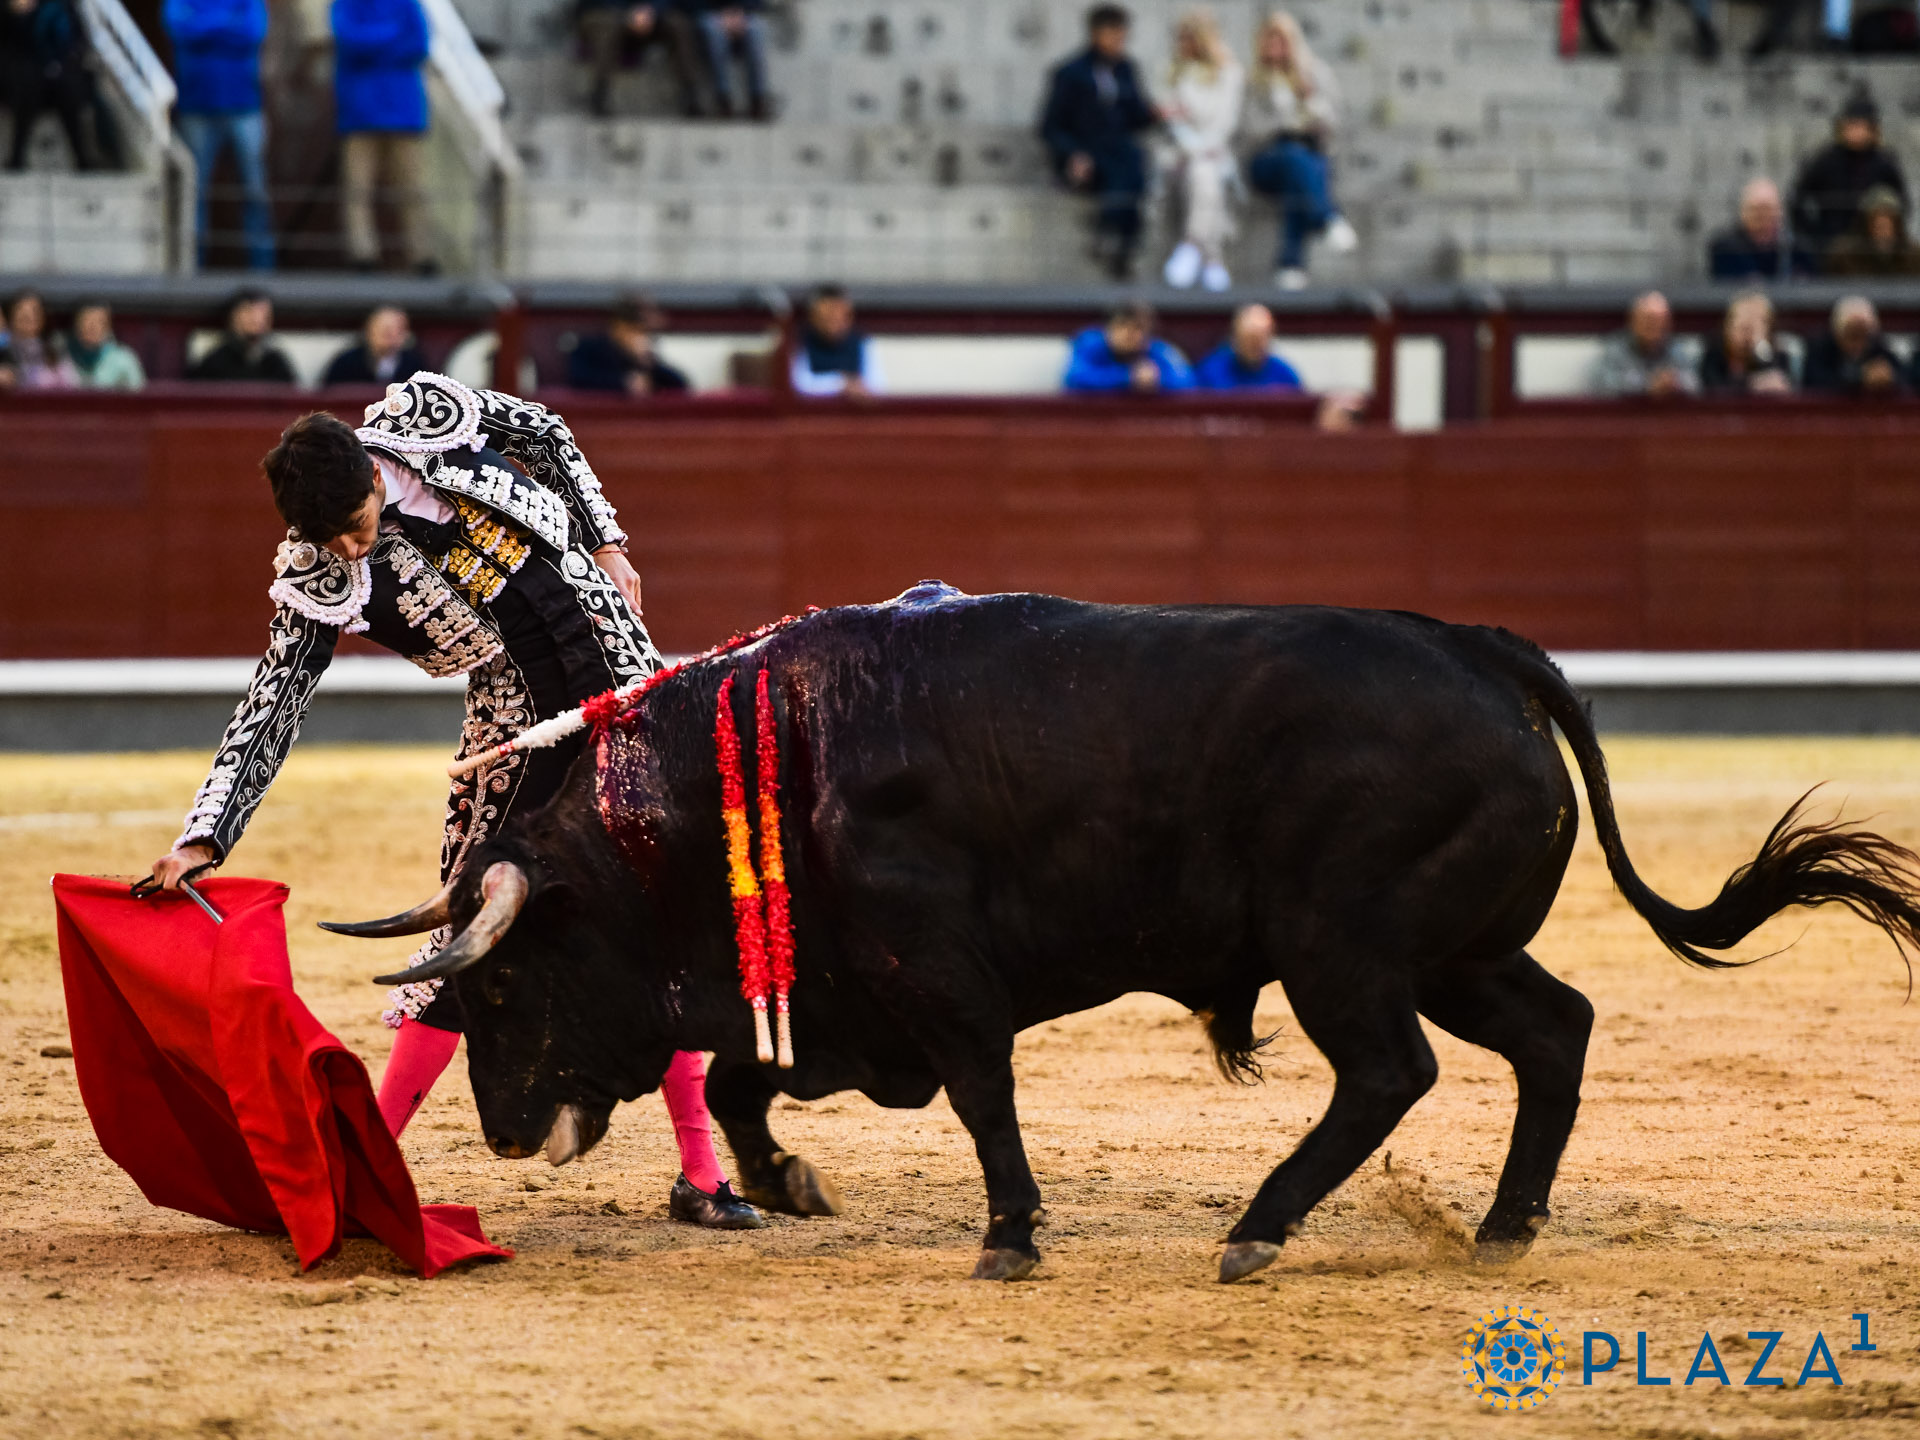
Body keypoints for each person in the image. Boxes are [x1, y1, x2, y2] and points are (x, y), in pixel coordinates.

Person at [145, 373, 764, 1230]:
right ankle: (364, 1170)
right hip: (520, 735)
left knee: (663, 921)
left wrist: (607, 541)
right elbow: (274, 700)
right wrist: (204, 835)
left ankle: (702, 1175)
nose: (350, 549)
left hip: (625, 683)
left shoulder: (426, 418)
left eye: (356, 525)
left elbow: (545, 431)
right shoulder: (318, 572)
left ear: (373, 472)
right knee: (472, 939)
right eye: (331, 539)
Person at [1039, 5, 1161, 281]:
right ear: (1097, 33)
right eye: (1114, 34)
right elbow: (1050, 127)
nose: (1119, 41)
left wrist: (1156, 114)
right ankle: (1119, 238)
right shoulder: (1071, 73)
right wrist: (1073, 153)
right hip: (1085, 153)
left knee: (1132, 161)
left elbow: (1135, 116)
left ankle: (1114, 234)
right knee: (1124, 166)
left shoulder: (1126, 70)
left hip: (1119, 152)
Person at [1242, 10, 1357, 291]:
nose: (1275, 48)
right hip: (1267, 159)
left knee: (1300, 176)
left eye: (1281, 41)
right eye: (1270, 41)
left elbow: (1333, 121)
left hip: (1309, 155)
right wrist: (1286, 124)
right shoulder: (1255, 81)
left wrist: (1310, 100)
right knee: (1297, 160)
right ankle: (1326, 217)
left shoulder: (1315, 74)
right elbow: (1251, 129)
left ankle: (1291, 266)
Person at [164, 0, 275, 271]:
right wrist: (228, 21)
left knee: (255, 190)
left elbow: (253, 31)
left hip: (245, 106)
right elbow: (180, 30)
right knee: (194, 192)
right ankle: (193, 267)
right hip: (197, 106)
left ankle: (263, 271)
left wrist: (204, 26)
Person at [332, 0, 435, 274]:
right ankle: (362, 256)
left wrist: (372, 44)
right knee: (358, 189)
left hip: (404, 111)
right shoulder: (346, 4)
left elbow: (420, 44)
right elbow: (349, 41)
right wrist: (392, 35)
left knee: (412, 189)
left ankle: (421, 257)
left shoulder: (408, 3)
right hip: (360, 112)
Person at [1160, 10, 1243, 292]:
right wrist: (1194, 149)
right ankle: (1211, 259)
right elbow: (1172, 120)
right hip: (1180, 156)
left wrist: (1203, 149)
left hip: (1215, 155)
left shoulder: (1229, 73)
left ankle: (1193, 244)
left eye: (1189, 38)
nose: (1183, 45)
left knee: (1204, 173)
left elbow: (1226, 122)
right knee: (1202, 173)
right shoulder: (1173, 73)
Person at [1791, 91, 1908, 260]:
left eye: (1861, 126)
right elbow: (1797, 199)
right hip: (1830, 247)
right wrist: (1814, 237)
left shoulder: (1885, 164)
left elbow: (1901, 203)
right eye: (1852, 126)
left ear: (1873, 130)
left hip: (1872, 250)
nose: (1856, 132)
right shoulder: (1824, 161)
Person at [2, 0, 107, 172]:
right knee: (27, 91)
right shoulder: (14, 8)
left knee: (69, 93)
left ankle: (82, 158)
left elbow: (77, 40)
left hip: (60, 72)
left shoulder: (63, 7)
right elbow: (11, 44)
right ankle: (16, 158)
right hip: (26, 75)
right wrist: (17, 14)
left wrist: (64, 64)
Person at [575, 0, 704, 119]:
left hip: (650, 15)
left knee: (679, 24)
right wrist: (629, 14)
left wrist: (652, 11)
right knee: (607, 25)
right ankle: (599, 94)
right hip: (606, 10)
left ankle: (691, 95)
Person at [567, 295, 692, 395]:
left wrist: (648, 364)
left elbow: (679, 385)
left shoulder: (643, 360)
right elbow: (579, 379)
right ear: (620, 326)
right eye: (637, 330)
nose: (641, 338)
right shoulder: (589, 349)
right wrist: (622, 383)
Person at [1586, 290, 1698, 397]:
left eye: (1661, 321)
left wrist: (1675, 383)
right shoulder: (1616, 349)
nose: (1655, 326)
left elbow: (1694, 383)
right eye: (1649, 320)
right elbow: (1603, 383)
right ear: (1633, 321)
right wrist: (1647, 385)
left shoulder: (1676, 349)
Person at [1063, 302, 1194, 393]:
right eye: (1122, 326)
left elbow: (1187, 383)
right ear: (1108, 329)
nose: (1129, 334)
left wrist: (1158, 380)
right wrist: (1127, 377)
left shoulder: (1158, 351)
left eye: (1137, 328)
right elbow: (1075, 378)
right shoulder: (1090, 344)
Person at [1706, 178, 1814, 280]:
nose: (1763, 216)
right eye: (1756, 210)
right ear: (1743, 213)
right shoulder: (1725, 248)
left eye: (1768, 209)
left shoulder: (1797, 250)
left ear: (1780, 212)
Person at [187, 288, 296, 382]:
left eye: (263, 314)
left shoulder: (275, 362)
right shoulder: (215, 362)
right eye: (249, 312)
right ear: (233, 317)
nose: (257, 319)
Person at [1802, 295, 1907, 394]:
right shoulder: (1819, 351)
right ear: (1837, 333)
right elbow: (1816, 384)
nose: (1858, 344)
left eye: (1864, 336)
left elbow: (1906, 384)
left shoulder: (1880, 351)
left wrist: (1890, 379)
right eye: (1852, 335)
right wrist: (1860, 378)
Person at [790, 284, 882, 397]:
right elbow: (798, 385)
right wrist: (840, 383)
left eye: (839, 318)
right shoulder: (799, 342)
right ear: (813, 318)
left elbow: (876, 386)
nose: (833, 326)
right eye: (826, 319)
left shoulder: (861, 342)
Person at [686, 0, 769, 120]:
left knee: (755, 29)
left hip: (743, 13)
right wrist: (720, 14)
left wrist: (740, 11)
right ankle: (723, 98)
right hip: (708, 12)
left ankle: (758, 98)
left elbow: (758, 3)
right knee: (714, 32)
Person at [1698, 290, 1794, 394]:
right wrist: (1753, 384)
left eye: (1758, 325)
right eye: (1743, 327)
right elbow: (1714, 390)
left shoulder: (1779, 355)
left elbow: (1777, 384)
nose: (1748, 335)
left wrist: (1761, 346)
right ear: (1728, 327)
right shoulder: (1714, 353)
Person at [1194, 303, 1301, 390]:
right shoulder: (1211, 372)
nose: (1254, 345)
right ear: (1235, 336)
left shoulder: (1283, 374)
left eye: (1260, 338)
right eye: (1250, 339)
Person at [1822, 184, 1920, 275]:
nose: (1883, 234)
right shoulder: (1844, 257)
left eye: (1888, 226)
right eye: (1877, 227)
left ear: (1897, 227)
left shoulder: (1914, 258)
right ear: (1865, 226)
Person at [321, 305, 427, 386]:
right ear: (368, 331)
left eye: (396, 329)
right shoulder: (346, 363)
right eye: (383, 329)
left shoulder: (414, 365)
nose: (389, 334)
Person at [2, 289, 78, 388]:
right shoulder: (3, 347)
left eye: (35, 311)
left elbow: (71, 384)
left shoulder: (55, 348)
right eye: (21, 310)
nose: (28, 316)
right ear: (11, 316)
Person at [66, 300, 145, 390]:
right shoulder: (62, 358)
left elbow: (138, 393)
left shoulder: (125, 360)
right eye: (86, 320)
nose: (92, 327)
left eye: (99, 322)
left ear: (108, 326)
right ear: (76, 324)